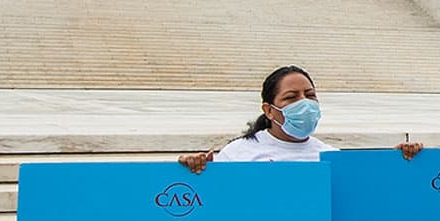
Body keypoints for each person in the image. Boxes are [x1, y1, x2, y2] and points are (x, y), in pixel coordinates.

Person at [178, 65, 421, 168]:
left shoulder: (331, 157)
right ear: (269, 110)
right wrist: (194, 169)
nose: (304, 103)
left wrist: (401, 160)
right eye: (291, 97)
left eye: (310, 95)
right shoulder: (237, 153)